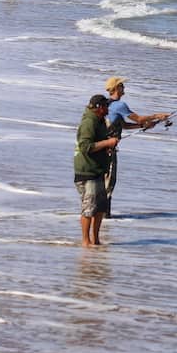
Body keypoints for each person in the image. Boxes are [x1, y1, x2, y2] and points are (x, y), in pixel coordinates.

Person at [103, 76, 170, 211]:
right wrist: (157, 115)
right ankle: (104, 214)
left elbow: (124, 126)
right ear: (116, 88)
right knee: (109, 182)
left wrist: (143, 126)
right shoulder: (119, 105)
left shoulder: (107, 105)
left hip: (102, 146)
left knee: (103, 181)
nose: (124, 87)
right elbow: (138, 118)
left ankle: (102, 213)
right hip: (109, 149)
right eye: (122, 85)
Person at [74, 94, 119, 246]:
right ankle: (86, 241)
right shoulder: (88, 122)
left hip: (98, 170)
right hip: (87, 172)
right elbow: (85, 147)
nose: (108, 109)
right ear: (99, 108)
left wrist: (107, 147)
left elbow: (97, 144)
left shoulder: (100, 121)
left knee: (100, 208)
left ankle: (96, 240)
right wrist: (107, 142)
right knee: (89, 208)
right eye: (106, 106)